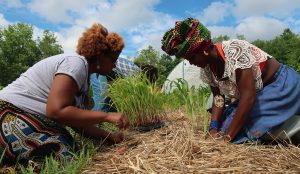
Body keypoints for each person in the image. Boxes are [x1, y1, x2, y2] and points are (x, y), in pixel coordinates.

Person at [0, 23, 129, 165]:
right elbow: (56, 110)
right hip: (10, 113)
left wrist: (109, 136)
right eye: (113, 60)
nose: (114, 65)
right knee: (64, 158)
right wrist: (107, 116)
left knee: (73, 150)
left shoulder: (84, 77)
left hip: (29, 115)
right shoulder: (75, 64)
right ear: (100, 55)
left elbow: (77, 122)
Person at [161, 18, 300, 144]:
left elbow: (248, 97)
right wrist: (213, 127)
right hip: (260, 93)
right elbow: (217, 98)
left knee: (238, 127)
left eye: (192, 57)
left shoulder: (234, 51)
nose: (191, 62)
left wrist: (227, 138)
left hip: (281, 85)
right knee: (225, 121)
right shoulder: (208, 69)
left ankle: (292, 126)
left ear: (204, 50)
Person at [90, 57, 158, 113]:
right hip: (98, 66)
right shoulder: (136, 73)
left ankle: (101, 115)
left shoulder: (134, 70)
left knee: (110, 99)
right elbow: (133, 96)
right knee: (102, 95)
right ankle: (92, 123)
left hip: (106, 69)